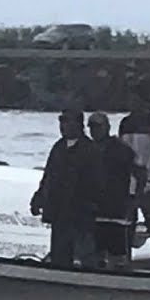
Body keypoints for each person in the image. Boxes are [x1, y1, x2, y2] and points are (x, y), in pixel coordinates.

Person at [30, 109, 104, 268]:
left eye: (67, 121)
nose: (63, 126)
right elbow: (48, 176)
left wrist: (91, 204)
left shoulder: (90, 149)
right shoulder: (58, 147)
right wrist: (39, 197)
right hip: (59, 213)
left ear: (78, 124)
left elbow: (97, 182)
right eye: (61, 122)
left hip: (81, 214)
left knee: (85, 257)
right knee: (59, 256)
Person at [87, 112, 137, 269]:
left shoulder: (121, 149)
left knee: (118, 255)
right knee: (94, 252)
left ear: (107, 127)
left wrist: (135, 200)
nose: (95, 131)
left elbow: (139, 174)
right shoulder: (87, 148)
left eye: (98, 127)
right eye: (92, 127)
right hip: (93, 209)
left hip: (116, 210)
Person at [118, 104, 150, 258]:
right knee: (128, 222)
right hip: (127, 181)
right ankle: (125, 257)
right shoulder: (125, 122)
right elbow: (121, 151)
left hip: (148, 181)